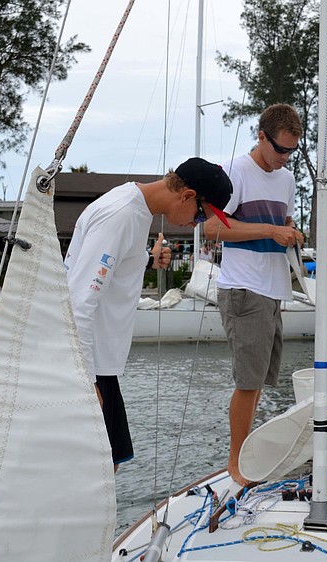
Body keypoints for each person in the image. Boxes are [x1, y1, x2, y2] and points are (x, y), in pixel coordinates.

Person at [64, 157, 232, 472]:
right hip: (89, 363)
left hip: (100, 362)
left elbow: (113, 259)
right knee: (96, 471)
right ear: (187, 195)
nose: (195, 225)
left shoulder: (134, 207)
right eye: (199, 217)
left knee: (108, 465)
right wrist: (85, 383)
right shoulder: (121, 214)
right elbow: (80, 302)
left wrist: (146, 259)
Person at [203, 103, 305, 486]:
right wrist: (269, 231)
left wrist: (290, 230)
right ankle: (236, 463)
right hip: (244, 288)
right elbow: (212, 228)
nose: (285, 158)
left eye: (292, 151)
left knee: (259, 381)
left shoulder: (288, 178)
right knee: (247, 383)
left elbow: (284, 220)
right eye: (280, 149)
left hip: (273, 288)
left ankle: (245, 457)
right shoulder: (235, 171)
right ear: (261, 136)